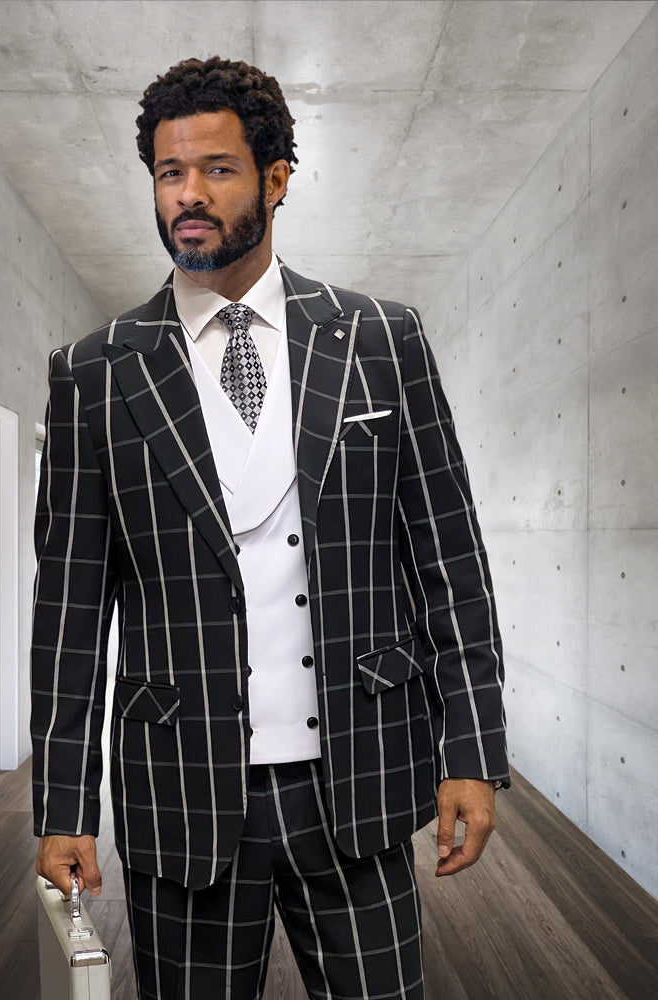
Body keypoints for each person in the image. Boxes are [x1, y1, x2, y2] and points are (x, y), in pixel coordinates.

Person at [31, 56, 509, 1000]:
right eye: (170, 174)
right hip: (182, 785)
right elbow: (70, 612)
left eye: (216, 169)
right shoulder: (94, 371)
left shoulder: (381, 339)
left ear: (276, 179)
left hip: (362, 773)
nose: (188, 197)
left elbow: (449, 554)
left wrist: (473, 750)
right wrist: (61, 806)